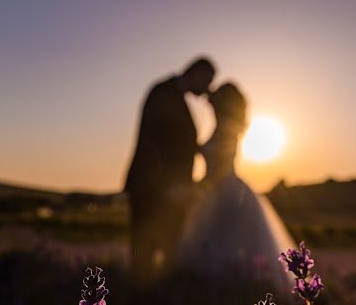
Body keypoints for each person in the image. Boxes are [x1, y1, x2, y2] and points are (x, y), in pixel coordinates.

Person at [175, 82, 295, 286]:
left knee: (225, 239)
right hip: (215, 188)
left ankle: (227, 287)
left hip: (222, 189)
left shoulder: (228, 130)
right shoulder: (224, 127)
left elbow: (221, 163)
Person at [123, 56, 216, 282]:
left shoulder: (172, 95)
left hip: (167, 191)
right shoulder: (163, 92)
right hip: (153, 189)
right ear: (197, 73)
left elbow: (177, 143)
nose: (207, 90)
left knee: (163, 255)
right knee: (144, 256)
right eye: (207, 81)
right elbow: (160, 142)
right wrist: (172, 186)